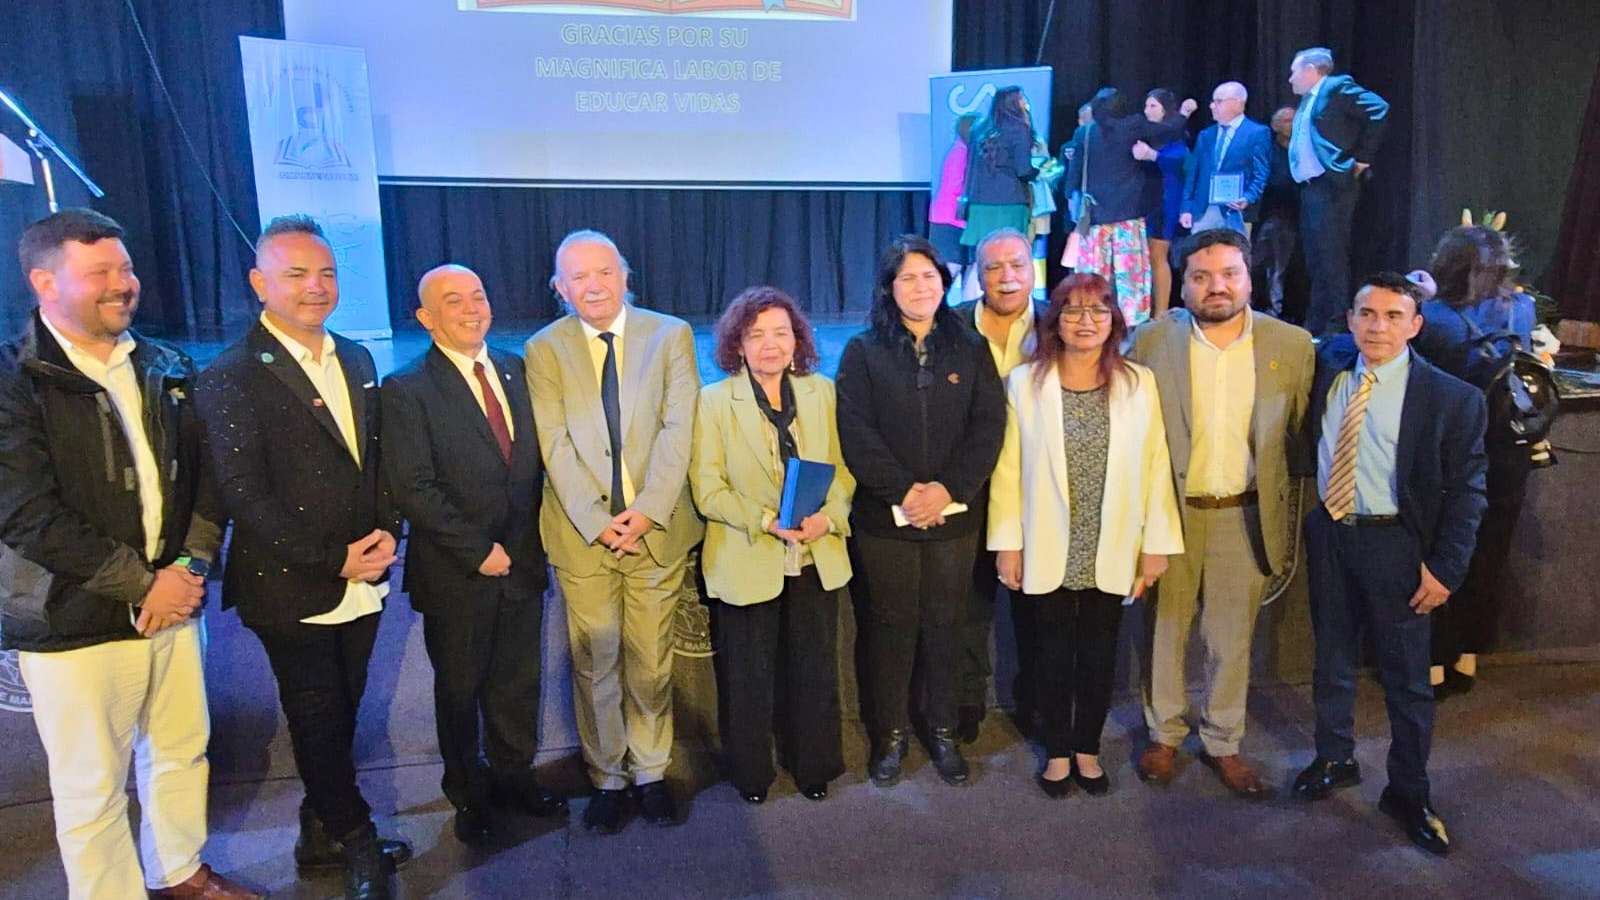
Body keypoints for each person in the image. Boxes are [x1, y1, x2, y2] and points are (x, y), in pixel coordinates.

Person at [0, 210, 258, 899]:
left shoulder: (164, 365)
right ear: (44, 282)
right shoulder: (13, 378)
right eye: (100, 272)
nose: (123, 284)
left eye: (127, 268)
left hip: (174, 601)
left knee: (180, 750)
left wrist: (190, 569)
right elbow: (24, 512)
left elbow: (208, 482)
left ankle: (178, 873)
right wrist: (144, 586)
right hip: (72, 616)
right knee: (91, 786)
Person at [194, 215, 411, 899]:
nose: (316, 287)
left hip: (364, 572)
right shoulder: (231, 375)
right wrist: (332, 559)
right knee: (317, 713)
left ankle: (320, 834)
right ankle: (356, 838)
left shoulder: (358, 358)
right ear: (260, 283)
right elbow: (244, 495)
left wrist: (388, 531)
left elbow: (376, 460)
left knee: (343, 708)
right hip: (289, 584)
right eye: (296, 274)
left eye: (326, 274)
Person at [1293, 273, 1488, 857]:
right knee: (1331, 658)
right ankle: (1335, 757)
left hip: (1398, 545)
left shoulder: (1453, 399)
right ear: (1350, 320)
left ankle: (1409, 792)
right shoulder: (1330, 366)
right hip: (1331, 534)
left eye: (1393, 315)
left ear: (1415, 325)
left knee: (1407, 681)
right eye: (1367, 313)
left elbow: (1469, 491)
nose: (1378, 326)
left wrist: (1446, 568)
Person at [524, 229, 703, 833]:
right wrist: (599, 524)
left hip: (656, 529)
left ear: (626, 275)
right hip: (583, 536)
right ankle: (606, 776)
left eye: (604, 271)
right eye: (578, 276)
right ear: (560, 287)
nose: (593, 285)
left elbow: (679, 428)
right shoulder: (543, 349)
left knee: (651, 658)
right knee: (595, 663)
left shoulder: (671, 335)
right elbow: (553, 443)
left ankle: (650, 770)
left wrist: (648, 510)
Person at [380, 265, 566, 847]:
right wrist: (478, 550)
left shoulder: (517, 369)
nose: (470, 309)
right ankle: (468, 793)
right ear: (426, 317)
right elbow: (413, 487)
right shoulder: (406, 389)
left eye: (478, 296)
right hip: (457, 572)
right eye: (453, 300)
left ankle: (515, 777)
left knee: (517, 683)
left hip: (523, 561)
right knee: (460, 690)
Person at [1130, 229, 1316, 798]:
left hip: (1245, 514)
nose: (1217, 287)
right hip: (1170, 515)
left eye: (1230, 274)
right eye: (1202, 276)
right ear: (1183, 284)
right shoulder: (1150, 341)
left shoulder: (1292, 345)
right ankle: (1164, 733)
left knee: (1231, 638)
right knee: (1164, 630)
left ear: (1248, 278)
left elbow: (1295, 432)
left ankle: (1223, 741)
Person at [989, 273, 1183, 798]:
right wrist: (1008, 543)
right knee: (1050, 653)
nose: (1085, 321)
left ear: (1114, 321)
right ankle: (1056, 751)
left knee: (1100, 653)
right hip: (1046, 538)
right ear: (1055, 321)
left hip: (1112, 538)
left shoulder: (1138, 383)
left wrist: (1155, 546)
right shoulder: (1025, 384)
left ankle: (1087, 750)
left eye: (1098, 310)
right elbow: (1007, 470)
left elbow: (1156, 464)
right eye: (1072, 310)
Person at [835, 235, 1005, 788]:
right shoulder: (863, 351)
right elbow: (855, 433)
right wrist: (905, 493)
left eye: (929, 276)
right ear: (889, 288)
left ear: (944, 282)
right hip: (885, 522)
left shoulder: (971, 348)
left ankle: (943, 731)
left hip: (955, 519)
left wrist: (947, 490)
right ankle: (889, 735)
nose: (920, 287)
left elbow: (988, 427)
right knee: (890, 627)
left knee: (946, 626)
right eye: (907, 278)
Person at [690, 287, 854, 804]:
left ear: (797, 340)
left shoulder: (821, 393)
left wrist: (828, 519)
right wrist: (765, 520)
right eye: (756, 334)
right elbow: (708, 489)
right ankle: (753, 773)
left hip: (814, 555)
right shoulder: (714, 402)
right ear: (737, 344)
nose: (770, 345)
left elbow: (844, 473)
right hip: (747, 553)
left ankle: (814, 765)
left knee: (814, 670)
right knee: (749, 676)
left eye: (781, 333)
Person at [1411, 226, 1538, 697]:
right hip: (1509, 452)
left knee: (1440, 552)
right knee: (1490, 554)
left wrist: (1419, 295)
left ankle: (1433, 662)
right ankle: (1468, 655)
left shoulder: (1432, 318)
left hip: (1450, 452)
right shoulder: (1522, 309)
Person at [948, 228, 1046, 741]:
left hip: (1037, 488)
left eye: (1017, 265)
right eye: (993, 267)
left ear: (1033, 269)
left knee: (1036, 602)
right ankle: (967, 702)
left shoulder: (1057, 323)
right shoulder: (951, 325)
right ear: (978, 275)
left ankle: (1033, 701)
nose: (1007, 277)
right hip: (967, 485)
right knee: (968, 605)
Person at [1065, 87, 1196, 326]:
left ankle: (1095, 319)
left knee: (1095, 276)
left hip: (1096, 217)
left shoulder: (1084, 133)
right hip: (1127, 218)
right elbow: (1169, 130)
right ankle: (1132, 325)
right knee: (1130, 278)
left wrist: (1071, 202)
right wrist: (1184, 113)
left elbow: (1073, 175)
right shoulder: (1131, 126)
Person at [1287, 47, 1390, 335]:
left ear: (1311, 70)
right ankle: (1317, 323)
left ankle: (1336, 323)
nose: (1290, 79)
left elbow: (1378, 108)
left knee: (1331, 258)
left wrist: (1362, 158)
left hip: (1331, 186)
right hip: (1310, 188)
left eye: (1294, 71)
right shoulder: (1308, 99)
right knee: (1316, 259)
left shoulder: (1335, 87)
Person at [1179, 81, 1271, 238]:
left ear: (1237, 103)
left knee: (1234, 252)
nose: (1211, 106)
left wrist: (1248, 197)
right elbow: (1193, 174)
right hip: (1203, 209)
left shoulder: (1257, 133)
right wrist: (1186, 207)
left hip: (1234, 210)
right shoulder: (1206, 135)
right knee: (1199, 251)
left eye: (1218, 101)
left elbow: (1261, 173)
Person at [1131, 89, 1193, 317]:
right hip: (1143, 200)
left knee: (1158, 255)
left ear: (1165, 110)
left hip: (1166, 199)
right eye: (1146, 106)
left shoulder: (1175, 135)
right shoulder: (1144, 134)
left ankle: (1161, 313)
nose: (1147, 111)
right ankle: (1144, 309)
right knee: (1143, 257)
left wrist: (1154, 156)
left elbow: (1182, 162)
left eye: (1153, 106)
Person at [961, 86, 1039, 249]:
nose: (1025, 102)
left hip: (978, 203)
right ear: (1014, 103)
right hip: (1008, 202)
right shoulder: (1019, 128)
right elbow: (1023, 170)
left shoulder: (978, 128)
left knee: (982, 255)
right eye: (1022, 98)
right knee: (1008, 252)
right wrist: (1039, 172)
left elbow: (970, 167)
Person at [1251, 107, 1307, 321]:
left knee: (1282, 267)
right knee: (1257, 263)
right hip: (1266, 216)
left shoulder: (1303, 150)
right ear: (1275, 126)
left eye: (1295, 119)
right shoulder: (1267, 151)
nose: (1292, 124)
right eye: (1287, 120)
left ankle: (1277, 312)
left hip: (1295, 217)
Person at [928, 114, 978, 298]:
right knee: (950, 269)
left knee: (967, 267)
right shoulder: (960, 152)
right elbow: (955, 186)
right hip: (950, 220)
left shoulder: (963, 151)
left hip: (957, 220)